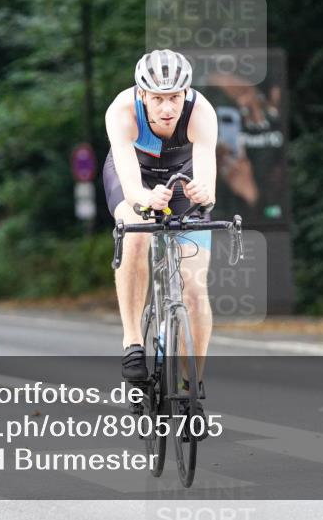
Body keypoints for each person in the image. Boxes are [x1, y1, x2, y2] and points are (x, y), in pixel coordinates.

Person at [102, 49, 219, 434]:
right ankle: (133, 341)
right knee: (135, 233)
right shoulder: (121, 111)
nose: (167, 108)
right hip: (133, 174)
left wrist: (202, 193)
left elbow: (207, 180)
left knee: (196, 288)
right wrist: (142, 200)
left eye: (175, 97)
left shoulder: (201, 112)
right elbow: (131, 183)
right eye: (158, 99)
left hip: (181, 178)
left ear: (185, 92)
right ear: (142, 95)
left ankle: (192, 388)